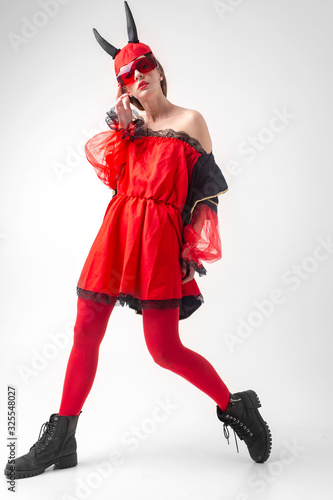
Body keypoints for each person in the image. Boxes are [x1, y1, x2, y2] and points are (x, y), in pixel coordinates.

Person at [4, 1, 271, 480]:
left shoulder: (192, 122)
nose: (136, 77)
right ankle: (63, 436)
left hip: (158, 244)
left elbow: (203, 196)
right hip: (117, 234)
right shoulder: (130, 130)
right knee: (85, 328)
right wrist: (125, 130)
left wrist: (191, 251)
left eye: (143, 66)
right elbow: (117, 178)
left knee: (163, 348)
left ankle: (236, 406)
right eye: (125, 75)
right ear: (122, 86)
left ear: (159, 69)